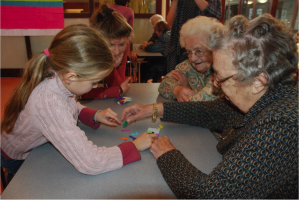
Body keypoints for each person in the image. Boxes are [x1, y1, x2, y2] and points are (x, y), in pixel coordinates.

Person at [121, 14, 298, 198]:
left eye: (220, 78)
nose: (215, 84)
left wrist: (167, 154)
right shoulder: (266, 96)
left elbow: (210, 195)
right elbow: (211, 111)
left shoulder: (282, 127)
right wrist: (152, 109)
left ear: (259, 81)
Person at [1, 24, 157, 185]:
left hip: (34, 148)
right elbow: (90, 162)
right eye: (94, 82)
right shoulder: (48, 102)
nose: (96, 87)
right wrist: (134, 146)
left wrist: (95, 114)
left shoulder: (58, 73)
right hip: (19, 159)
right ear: (72, 77)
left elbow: (66, 103)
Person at [159, 16, 221, 102]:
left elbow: (202, 101)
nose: (192, 58)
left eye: (199, 51)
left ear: (214, 49)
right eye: (189, 52)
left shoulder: (222, 71)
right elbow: (164, 83)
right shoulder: (188, 65)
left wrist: (187, 90)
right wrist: (177, 90)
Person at [81, 4, 133, 99]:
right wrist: (118, 90)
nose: (117, 52)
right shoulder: (88, 51)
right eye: (111, 45)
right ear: (98, 42)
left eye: (121, 44)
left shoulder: (125, 47)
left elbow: (118, 84)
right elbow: (82, 93)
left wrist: (112, 67)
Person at [165, 0, 221, 73]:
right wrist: (175, 1)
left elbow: (215, 16)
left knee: (197, 78)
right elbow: (169, 23)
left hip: (200, 48)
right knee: (175, 77)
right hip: (177, 47)